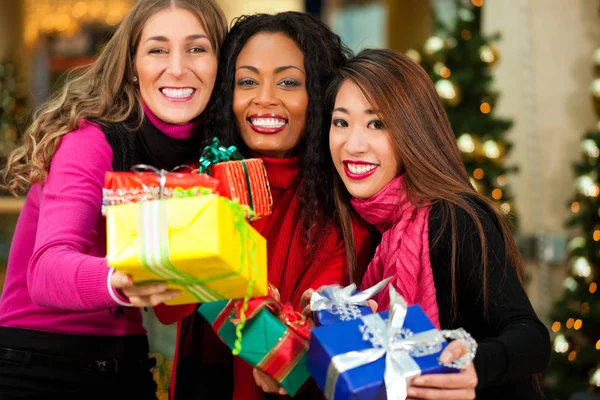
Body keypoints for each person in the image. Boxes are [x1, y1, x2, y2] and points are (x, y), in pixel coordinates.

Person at [0, 1, 227, 399]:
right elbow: (45, 270)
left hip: (126, 364)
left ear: (220, 64)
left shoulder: (205, 157)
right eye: (157, 49)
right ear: (131, 66)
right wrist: (118, 277)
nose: (177, 67)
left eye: (197, 48)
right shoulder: (90, 140)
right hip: (37, 366)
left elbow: (169, 307)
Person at [153, 12, 374, 400]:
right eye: (247, 81)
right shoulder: (194, 183)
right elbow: (167, 307)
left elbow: (305, 344)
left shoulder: (343, 204)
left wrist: (215, 270)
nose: (265, 98)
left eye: (288, 82)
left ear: (319, 95)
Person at [327, 48, 551, 400]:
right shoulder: (370, 224)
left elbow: (531, 337)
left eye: (377, 123)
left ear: (413, 132)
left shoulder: (455, 216)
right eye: (341, 122)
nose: (353, 144)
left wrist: (472, 365)